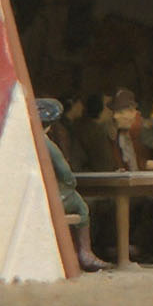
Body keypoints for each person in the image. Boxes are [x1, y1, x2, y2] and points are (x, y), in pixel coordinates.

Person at [37, 98, 107, 272]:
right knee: (81, 207)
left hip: (37, 192)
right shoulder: (46, 143)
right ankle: (85, 253)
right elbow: (64, 170)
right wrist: (70, 184)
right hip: (54, 196)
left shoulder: (30, 140)